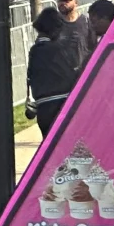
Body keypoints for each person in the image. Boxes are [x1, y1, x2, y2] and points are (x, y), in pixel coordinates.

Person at [26, 7, 76, 137]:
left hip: (44, 110)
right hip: (63, 107)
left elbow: (31, 78)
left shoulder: (34, 52)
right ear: (57, 29)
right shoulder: (61, 49)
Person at [55, 0, 95, 71]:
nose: (62, 3)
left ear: (76, 3)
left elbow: (94, 48)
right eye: (60, 0)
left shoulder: (86, 22)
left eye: (66, 0)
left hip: (83, 75)